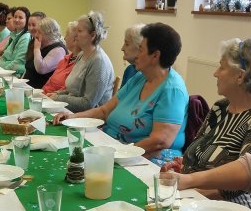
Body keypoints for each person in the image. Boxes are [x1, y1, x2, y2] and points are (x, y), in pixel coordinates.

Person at [163, 38, 251, 210]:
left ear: (240, 76)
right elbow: (200, 149)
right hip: (192, 197)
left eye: (222, 67)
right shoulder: (221, 107)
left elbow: (241, 183)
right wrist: (182, 165)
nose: (215, 73)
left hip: (229, 210)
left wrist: (187, 189)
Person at [55, 22, 187, 157]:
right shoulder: (139, 78)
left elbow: (159, 141)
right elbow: (104, 110)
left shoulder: (172, 90)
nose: (137, 55)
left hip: (146, 160)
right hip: (114, 147)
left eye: (140, 50)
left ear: (155, 56)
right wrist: (72, 117)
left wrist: (119, 153)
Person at [49, 11, 114, 112]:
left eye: (79, 31)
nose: (75, 35)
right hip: (71, 112)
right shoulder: (81, 54)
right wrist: (56, 94)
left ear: (92, 35)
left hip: (89, 119)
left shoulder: (99, 62)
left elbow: (88, 104)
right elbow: (72, 90)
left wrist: (58, 99)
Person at [25, 17, 66, 89]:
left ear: (48, 33)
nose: (36, 35)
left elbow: (41, 68)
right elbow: (28, 68)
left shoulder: (59, 50)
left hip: (40, 93)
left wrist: (36, 49)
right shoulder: (42, 45)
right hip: (27, 87)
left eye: (39, 32)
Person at [42, 21, 80, 95]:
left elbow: (66, 90)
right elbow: (49, 83)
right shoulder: (64, 60)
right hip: (45, 96)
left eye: (67, 35)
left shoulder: (80, 64)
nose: (64, 38)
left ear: (75, 40)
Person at [0, 6, 31, 77]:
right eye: (15, 17)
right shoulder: (14, 35)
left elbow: (17, 63)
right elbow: (3, 57)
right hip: (6, 72)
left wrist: (3, 70)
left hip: (15, 76)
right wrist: (5, 64)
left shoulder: (26, 37)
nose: (16, 20)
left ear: (27, 20)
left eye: (20, 18)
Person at [119, 23, 145, 88]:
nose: (122, 48)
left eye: (127, 44)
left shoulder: (147, 76)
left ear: (140, 47)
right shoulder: (129, 70)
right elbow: (120, 97)